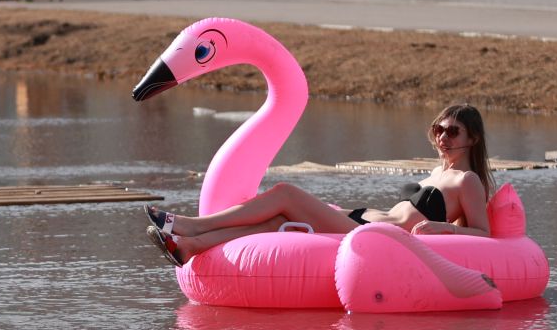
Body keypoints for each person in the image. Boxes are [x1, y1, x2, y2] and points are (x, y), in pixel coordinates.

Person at [144, 104, 495, 267]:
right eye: (439, 129)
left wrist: (440, 227)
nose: (442, 136)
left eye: (452, 131)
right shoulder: (436, 170)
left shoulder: (467, 180)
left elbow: (483, 233)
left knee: (284, 193)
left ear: (472, 138)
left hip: (376, 235)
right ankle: (191, 246)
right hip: (361, 218)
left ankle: (189, 224)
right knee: (276, 223)